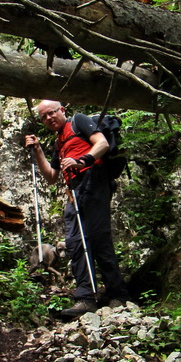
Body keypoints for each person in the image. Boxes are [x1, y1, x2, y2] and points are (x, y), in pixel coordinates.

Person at [25, 99, 130, 317]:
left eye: (51, 113)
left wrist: (82, 161)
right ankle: (85, 298)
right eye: (43, 117)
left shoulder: (79, 121)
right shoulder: (59, 142)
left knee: (98, 237)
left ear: (62, 110)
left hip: (95, 180)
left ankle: (117, 294)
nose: (48, 119)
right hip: (74, 191)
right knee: (74, 242)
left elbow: (102, 143)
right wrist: (37, 150)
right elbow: (52, 177)